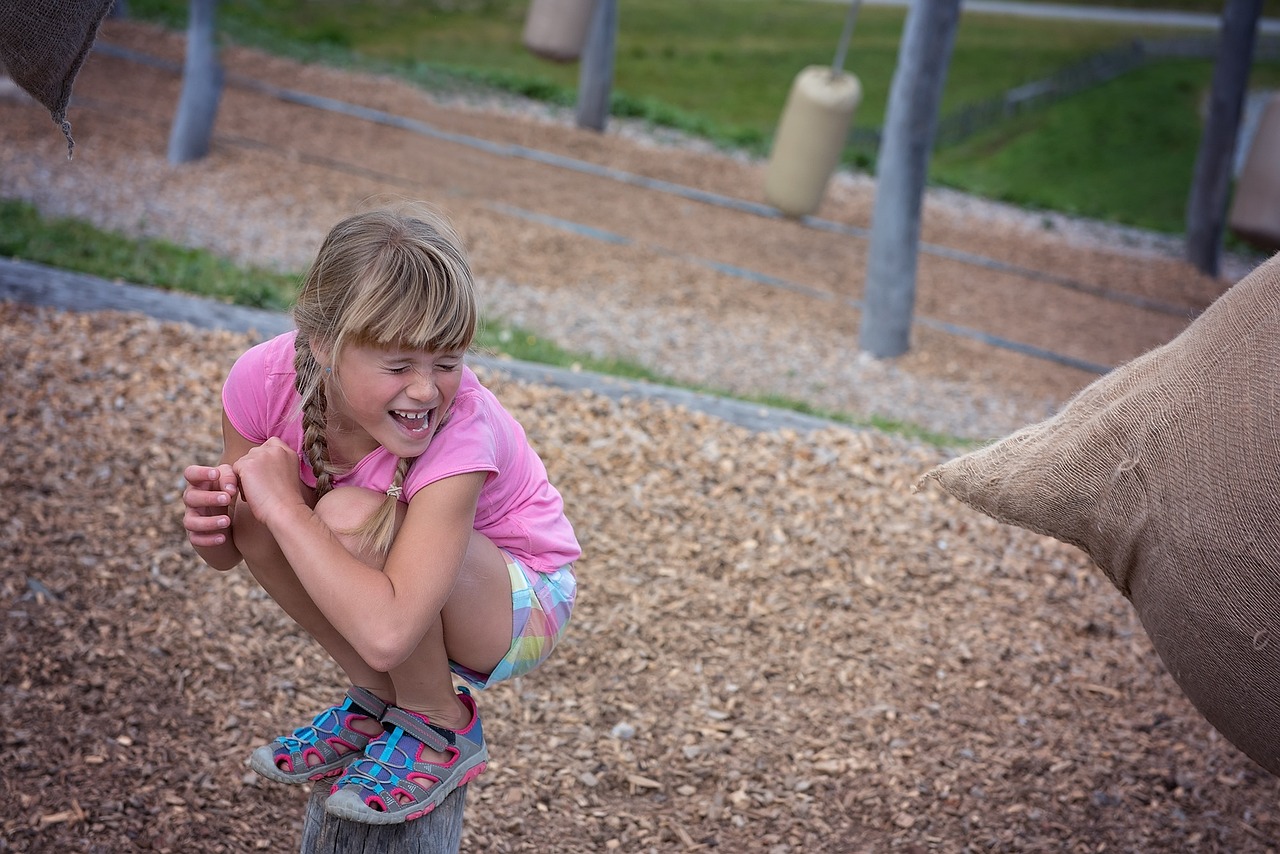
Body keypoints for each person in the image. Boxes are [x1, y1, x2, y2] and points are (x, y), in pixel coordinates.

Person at [180, 203, 580, 825]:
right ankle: (379, 701)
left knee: (342, 516)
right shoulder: (261, 381)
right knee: (261, 511)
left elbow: (389, 632)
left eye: (447, 363)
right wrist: (212, 524)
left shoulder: (461, 429)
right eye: (398, 366)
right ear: (325, 345)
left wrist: (288, 506)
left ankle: (439, 723)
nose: (426, 390)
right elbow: (232, 549)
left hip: (517, 603)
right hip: (408, 595)